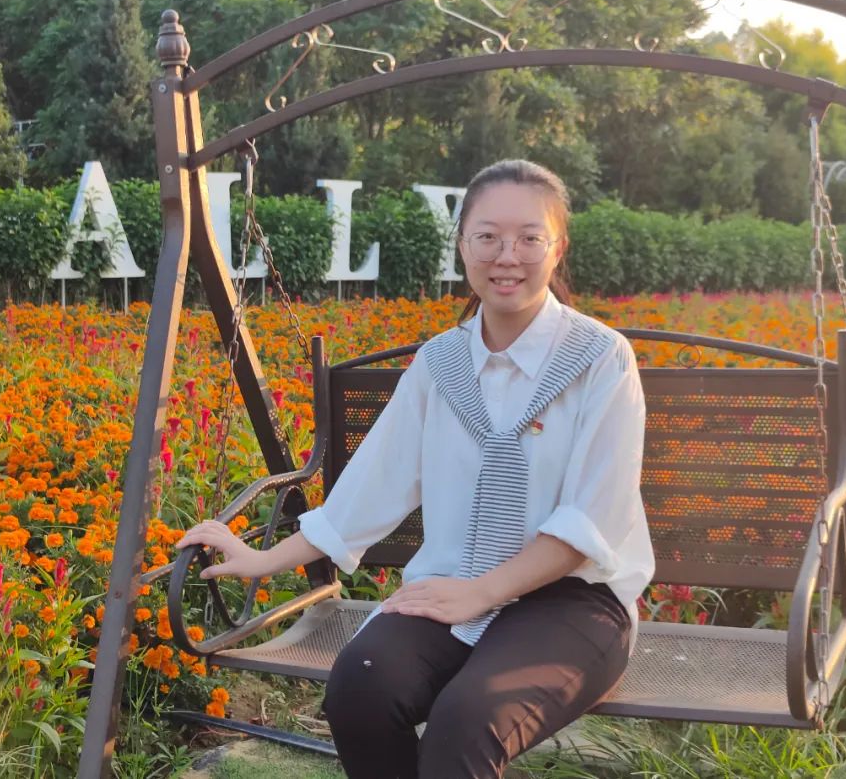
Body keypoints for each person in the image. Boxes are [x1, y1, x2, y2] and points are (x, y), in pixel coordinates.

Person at [175, 159, 654, 779]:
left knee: (468, 719)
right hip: (453, 584)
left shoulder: (599, 359)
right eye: (487, 237)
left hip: (574, 602)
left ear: (557, 247)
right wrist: (262, 559)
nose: (507, 256)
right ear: (463, 245)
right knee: (361, 687)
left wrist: (481, 594)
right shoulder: (440, 365)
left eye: (530, 238)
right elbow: (371, 488)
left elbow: (589, 521)